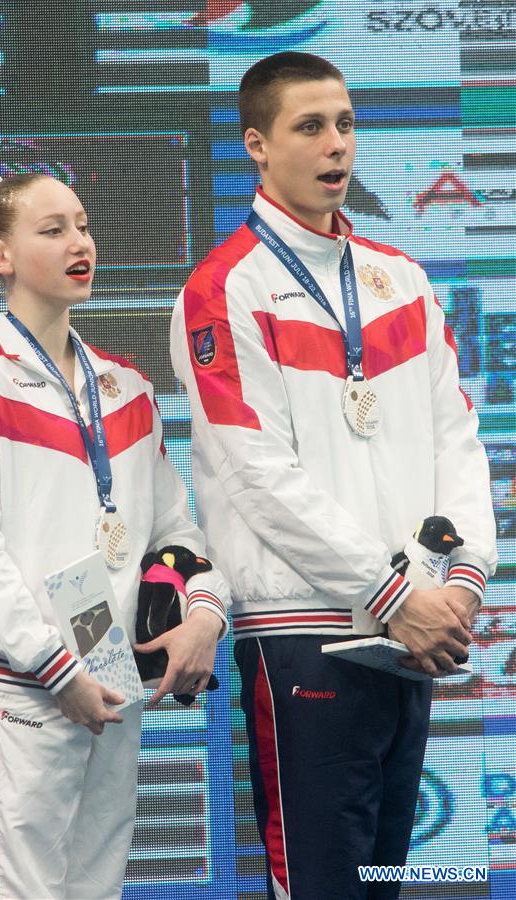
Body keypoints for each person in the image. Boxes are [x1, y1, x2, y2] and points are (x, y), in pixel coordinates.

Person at [170, 52, 497, 899]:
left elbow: (458, 442)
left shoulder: (404, 281)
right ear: (256, 145)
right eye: (310, 126)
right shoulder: (223, 289)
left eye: (346, 124)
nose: (336, 144)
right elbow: (255, 473)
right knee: (322, 884)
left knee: (380, 882)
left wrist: (460, 581)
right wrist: (396, 594)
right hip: (303, 630)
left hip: (412, 631)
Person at [0, 173, 229, 899]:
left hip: (113, 681)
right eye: (53, 229)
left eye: (84, 226)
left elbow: (175, 531)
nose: (80, 243)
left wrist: (204, 614)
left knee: (98, 890)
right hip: (25, 687)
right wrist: (55, 669)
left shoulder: (128, 388)